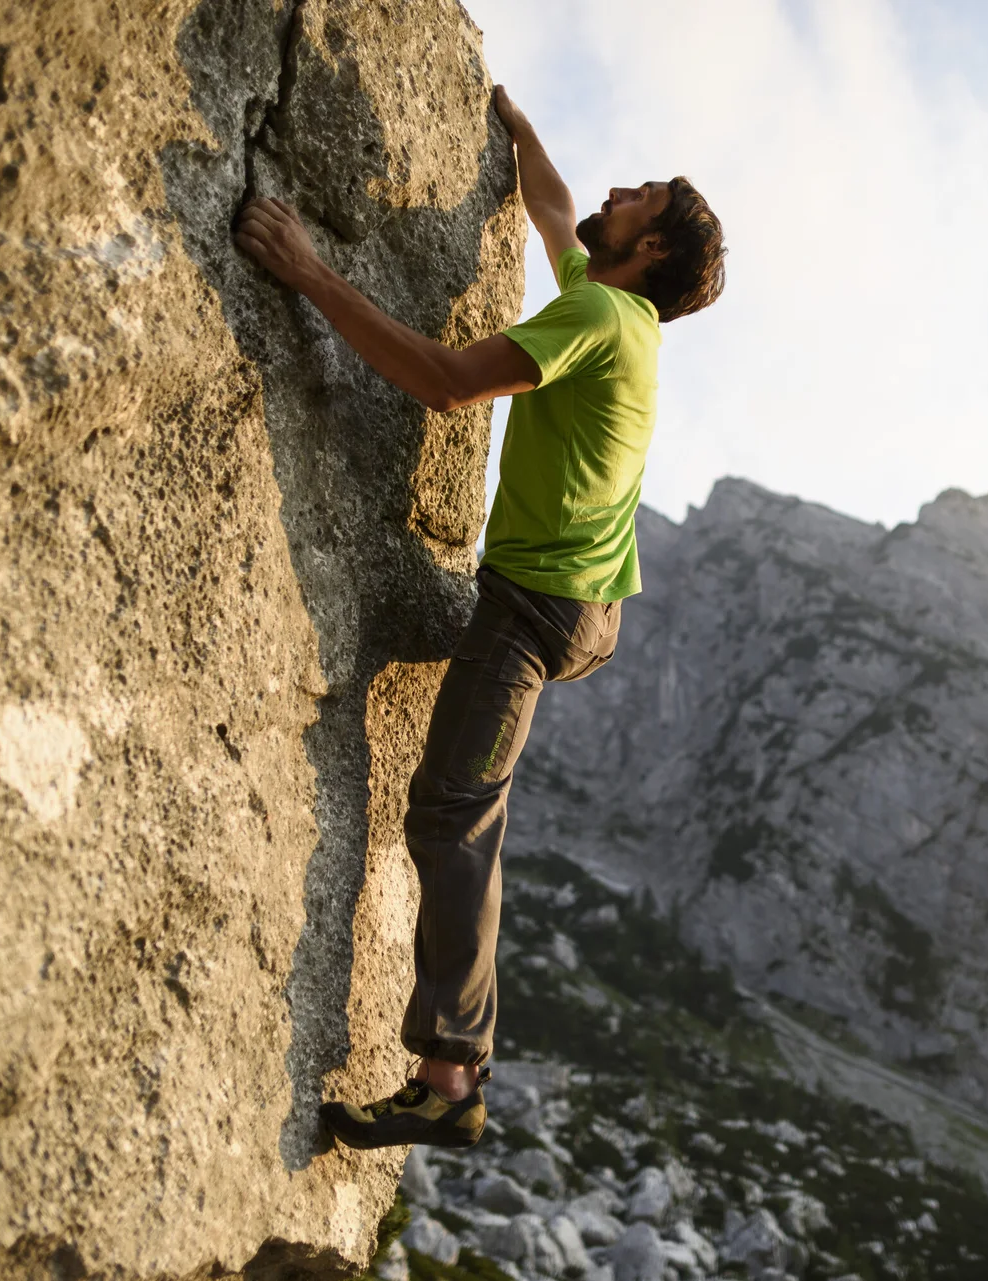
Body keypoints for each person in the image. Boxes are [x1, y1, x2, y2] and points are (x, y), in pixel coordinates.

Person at [233, 85, 726, 1149]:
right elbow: (552, 210)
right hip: (567, 603)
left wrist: (308, 270)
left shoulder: (599, 313)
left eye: (639, 197)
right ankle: (451, 1063)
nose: (616, 189)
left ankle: (450, 1079)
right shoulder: (609, 298)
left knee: (452, 812)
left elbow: (449, 384)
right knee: (462, 795)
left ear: (651, 252)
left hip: (540, 612)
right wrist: (516, 126)